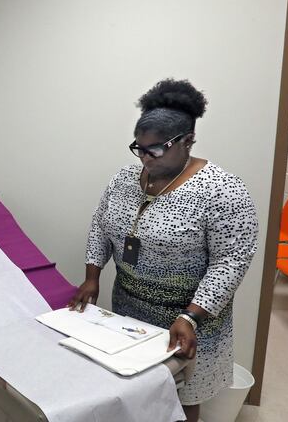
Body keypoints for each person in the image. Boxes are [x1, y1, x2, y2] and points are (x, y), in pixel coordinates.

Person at [68, 79, 258, 422]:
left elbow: (231, 261)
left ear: (187, 141)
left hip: (188, 319)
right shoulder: (124, 180)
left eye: (156, 149)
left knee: (182, 395)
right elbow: (101, 225)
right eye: (139, 148)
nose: (145, 157)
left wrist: (190, 316)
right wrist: (91, 277)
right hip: (130, 308)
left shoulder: (222, 190)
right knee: (137, 389)